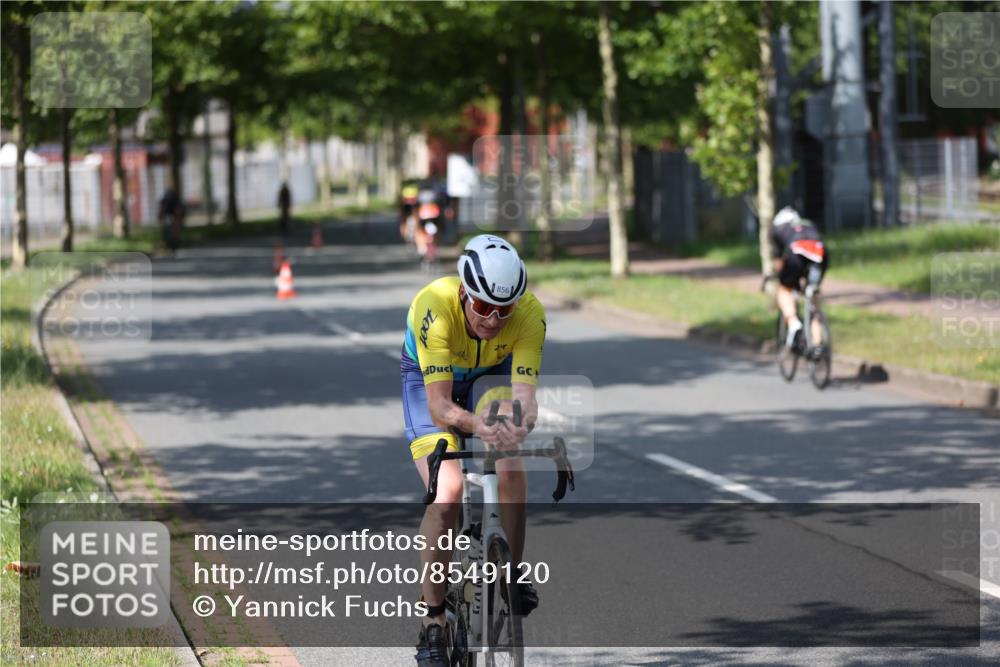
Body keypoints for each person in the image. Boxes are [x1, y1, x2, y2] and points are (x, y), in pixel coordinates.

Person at [402, 234, 545, 667]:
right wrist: (476, 425)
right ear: (464, 292)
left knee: (511, 469)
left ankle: (511, 574)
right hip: (432, 384)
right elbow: (441, 405)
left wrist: (517, 425)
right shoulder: (435, 306)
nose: (493, 319)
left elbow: (525, 397)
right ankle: (433, 621)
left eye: (504, 309)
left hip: (490, 378)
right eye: (483, 307)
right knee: (446, 493)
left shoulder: (530, 315)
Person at [769, 206, 829, 353]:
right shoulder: (808, 224)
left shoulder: (777, 229)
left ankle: (793, 322)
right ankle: (817, 344)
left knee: (784, 289)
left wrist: (781, 277)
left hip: (795, 253)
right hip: (820, 255)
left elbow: (778, 263)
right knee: (813, 297)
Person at [158, 188, 183, 253]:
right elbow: (161, 210)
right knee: (168, 226)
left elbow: (178, 212)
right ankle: (170, 241)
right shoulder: (165, 201)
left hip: (173, 212)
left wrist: (177, 223)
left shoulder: (175, 201)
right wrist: (161, 220)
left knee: (175, 224)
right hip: (168, 213)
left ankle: (175, 241)